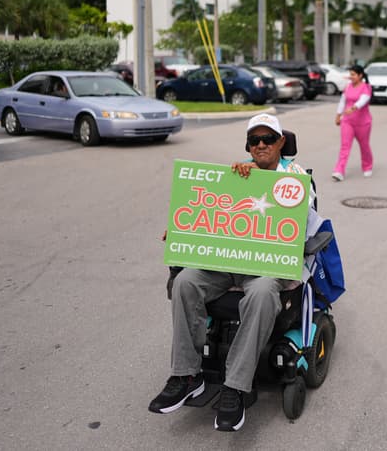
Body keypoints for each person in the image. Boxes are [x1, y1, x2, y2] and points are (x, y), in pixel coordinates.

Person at [149, 113, 317, 432]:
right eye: (255, 140)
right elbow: (211, 213)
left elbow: (300, 214)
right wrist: (183, 232)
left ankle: (235, 386)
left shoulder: (294, 176)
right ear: (248, 145)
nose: (262, 145)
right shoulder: (234, 174)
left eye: (269, 139)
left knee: (264, 292)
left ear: (282, 142)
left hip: (268, 267)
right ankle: (187, 375)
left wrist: (262, 177)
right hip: (230, 262)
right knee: (185, 281)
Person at [332, 64, 373, 181]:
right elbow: (342, 101)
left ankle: (367, 166)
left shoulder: (366, 87)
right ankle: (339, 170)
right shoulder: (348, 86)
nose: (351, 76)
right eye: (350, 74)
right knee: (345, 146)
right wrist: (338, 115)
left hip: (363, 123)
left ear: (360, 75)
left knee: (364, 146)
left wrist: (353, 108)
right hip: (347, 122)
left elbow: (363, 100)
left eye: (353, 74)